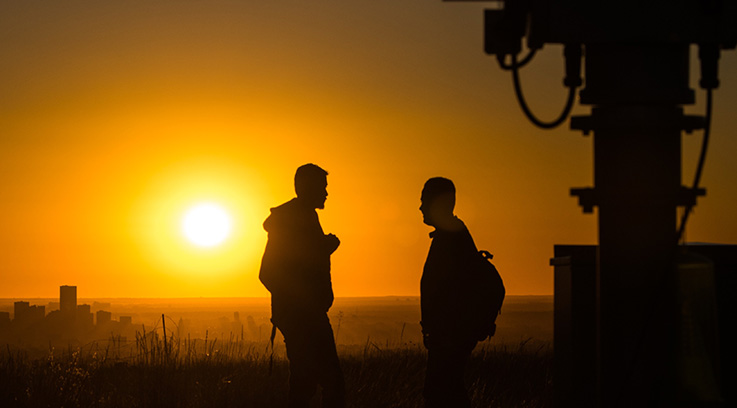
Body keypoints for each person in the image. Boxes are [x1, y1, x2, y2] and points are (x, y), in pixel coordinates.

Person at [259, 163, 345, 408]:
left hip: (304, 314)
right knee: (329, 381)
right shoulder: (292, 221)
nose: (326, 193)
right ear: (307, 187)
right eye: (322, 187)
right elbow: (269, 272)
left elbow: (299, 260)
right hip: (304, 317)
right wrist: (300, 304)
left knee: (306, 381)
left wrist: (322, 248)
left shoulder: (302, 217)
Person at [419, 177, 480, 408]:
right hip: (448, 335)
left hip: (449, 335)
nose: (421, 207)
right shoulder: (452, 235)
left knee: (441, 392)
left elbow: (450, 292)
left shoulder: (451, 238)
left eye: (424, 201)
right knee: (447, 390)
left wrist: (441, 333)